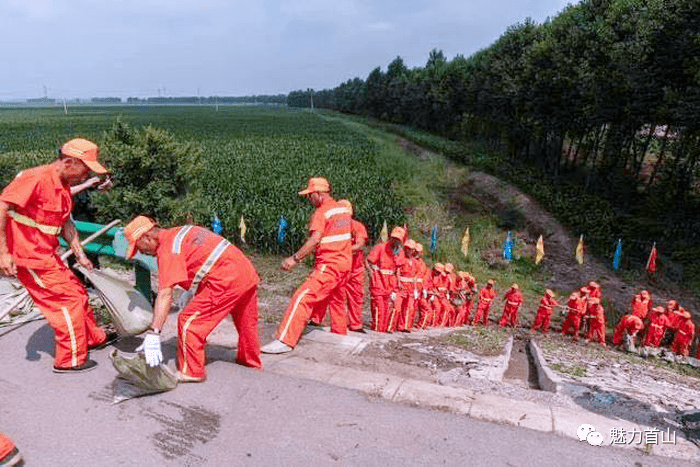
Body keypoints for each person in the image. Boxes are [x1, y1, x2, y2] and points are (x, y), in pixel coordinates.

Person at [0, 138, 116, 373]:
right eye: (85, 168)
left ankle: (93, 337)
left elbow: (66, 224)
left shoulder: (62, 186)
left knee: (78, 293)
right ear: (69, 161)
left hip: (45, 254)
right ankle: (70, 359)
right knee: (67, 302)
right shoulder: (36, 177)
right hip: (29, 256)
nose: (86, 175)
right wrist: (3, 253)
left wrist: (80, 254)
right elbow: (2, 207)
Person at [123, 215, 262, 381]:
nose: (142, 252)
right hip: (244, 271)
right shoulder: (180, 232)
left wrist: (154, 333)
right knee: (246, 322)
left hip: (225, 280)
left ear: (147, 237)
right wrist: (192, 290)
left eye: (139, 247)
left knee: (189, 322)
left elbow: (165, 294)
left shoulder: (167, 249)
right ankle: (250, 362)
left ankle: (191, 372)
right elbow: (203, 257)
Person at [262, 178, 352, 353]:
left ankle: (285, 340)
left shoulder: (321, 212)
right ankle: (339, 334)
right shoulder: (343, 210)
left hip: (330, 265)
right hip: (344, 265)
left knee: (302, 297)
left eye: (310, 196)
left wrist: (294, 259)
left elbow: (314, 240)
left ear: (318, 193)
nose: (309, 199)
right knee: (337, 301)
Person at [308, 199, 368, 333]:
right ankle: (316, 319)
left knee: (355, 297)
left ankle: (355, 325)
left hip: (353, 269)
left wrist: (342, 249)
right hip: (336, 265)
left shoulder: (356, 226)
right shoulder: (332, 225)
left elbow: (360, 244)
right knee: (327, 292)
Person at [365, 226, 405, 333]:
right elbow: (368, 261)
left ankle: (382, 332)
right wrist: (372, 274)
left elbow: (398, 269)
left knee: (387, 309)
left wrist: (397, 285)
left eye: (398, 240)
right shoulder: (380, 247)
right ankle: (376, 331)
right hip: (378, 280)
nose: (396, 241)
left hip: (390, 282)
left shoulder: (400, 252)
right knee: (379, 309)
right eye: (394, 238)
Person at [392, 239, 418, 332]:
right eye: (407, 248)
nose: (408, 250)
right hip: (401, 286)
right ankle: (391, 326)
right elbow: (397, 271)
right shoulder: (401, 258)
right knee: (397, 307)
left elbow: (415, 276)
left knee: (409, 308)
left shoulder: (415, 262)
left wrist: (415, 289)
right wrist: (397, 283)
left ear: (414, 250)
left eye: (410, 249)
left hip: (410, 287)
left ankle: (404, 326)